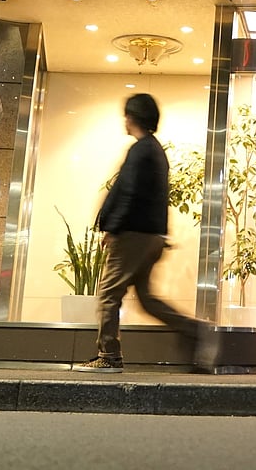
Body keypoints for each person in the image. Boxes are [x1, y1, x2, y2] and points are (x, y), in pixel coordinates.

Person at [74, 93, 212, 372]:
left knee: (108, 293)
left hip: (133, 235)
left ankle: (109, 355)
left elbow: (128, 192)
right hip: (151, 236)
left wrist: (113, 227)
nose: (124, 120)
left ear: (132, 117)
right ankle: (195, 330)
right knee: (147, 299)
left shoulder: (141, 151)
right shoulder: (155, 151)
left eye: (126, 115)